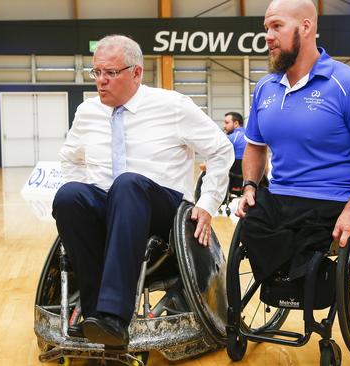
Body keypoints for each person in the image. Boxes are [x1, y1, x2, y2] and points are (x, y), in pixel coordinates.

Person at [52, 35, 233, 347]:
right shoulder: (87, 112)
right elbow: (70, 160)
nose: (101, 81)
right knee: (68, 196)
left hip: (162, 208)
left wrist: (208, 204)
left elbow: (220, 151)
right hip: (111, 205)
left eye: (110, 73)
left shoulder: (172, 106)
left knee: (128, 184)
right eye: (96, 72)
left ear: (136, 73)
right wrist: (85, 193)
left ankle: (114, 316)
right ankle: (95, 314)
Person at [236, 0, 350, 283]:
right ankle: (292, 279)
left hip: (330, 201)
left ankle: (305, 280)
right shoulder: (264, 88)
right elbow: (255, 147)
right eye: (266, 28)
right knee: (251, 224)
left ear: (306, 27)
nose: (267, 36)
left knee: (306, 248)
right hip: (281, 197)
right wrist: (249, 185)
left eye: (277, 26)